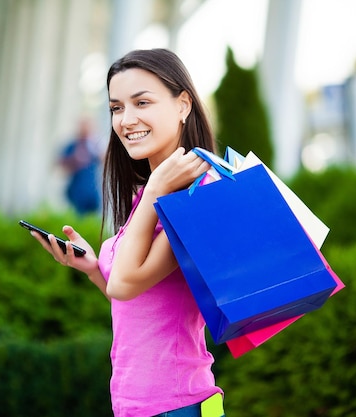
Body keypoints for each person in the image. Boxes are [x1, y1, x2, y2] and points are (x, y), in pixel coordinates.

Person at [30, 49, 225, 417]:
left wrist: (155, 190)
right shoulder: (147, 195)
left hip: (179, 406)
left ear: (183, 105)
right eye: (117, 108)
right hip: (140, 407)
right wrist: (92, 268)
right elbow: (139, 303)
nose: (126, 120)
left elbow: (125, 284)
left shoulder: (198, 195)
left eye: (142, 102)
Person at [59, 117, 103, 215]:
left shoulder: (94, 145)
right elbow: (61, 166)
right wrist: (75, 160)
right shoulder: (72, 145)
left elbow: (104, 160)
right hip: (76, 191)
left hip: (92, 192)